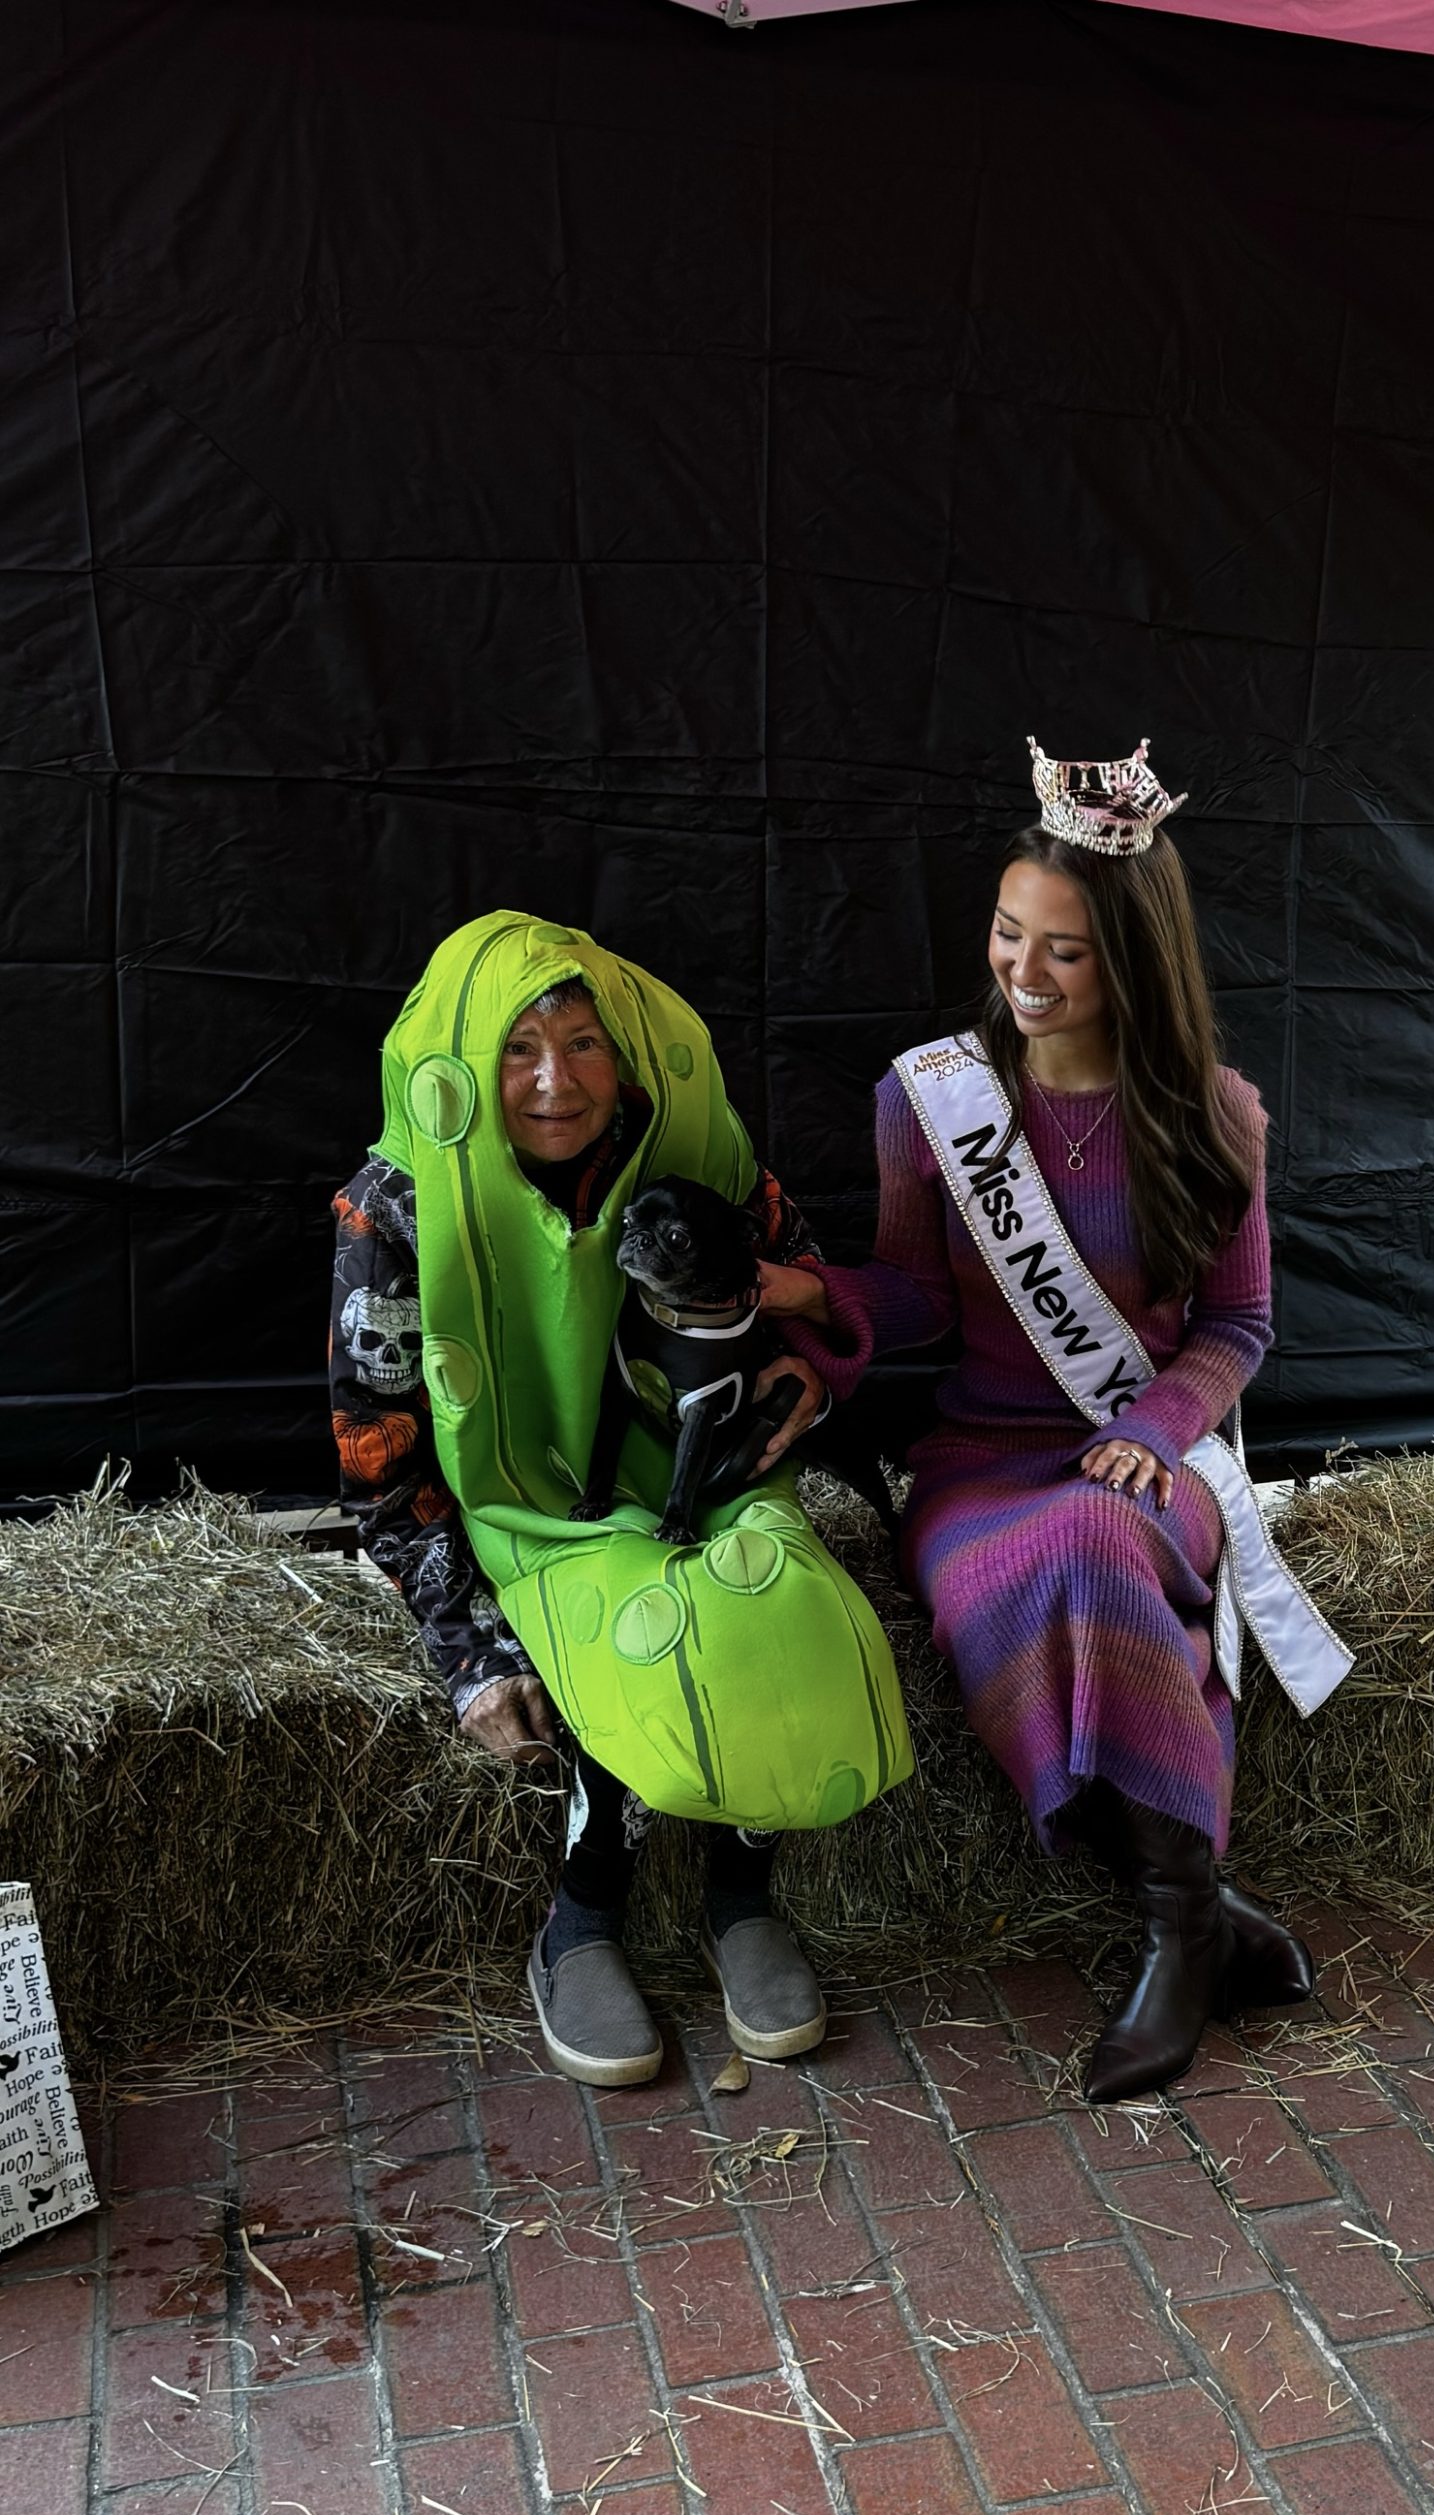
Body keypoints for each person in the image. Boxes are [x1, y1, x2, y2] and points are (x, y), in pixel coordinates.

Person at [762, 742, 1349, 2103]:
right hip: (979, 1459)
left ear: (1133, 960)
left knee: (1093, 1534)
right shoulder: (933, 1103)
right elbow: (910, 1298)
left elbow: (1239, 1327)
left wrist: (1154, 1419)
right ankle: (1203, 1918)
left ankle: (1172, 1934)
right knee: (1029, 1556)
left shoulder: (1212, 1115)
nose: (1025, 972)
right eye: (1009, 934)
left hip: (1149, 1451)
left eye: (1067, 952)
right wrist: (810, 1290)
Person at [330, 912, 910, 2088]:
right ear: (459, 1063)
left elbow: (795, 1294)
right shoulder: (393, 1210)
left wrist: (815, 1375)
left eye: (585, 1040)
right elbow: (377, 1459)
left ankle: (741, 1894)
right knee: (632, 1635)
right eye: (519, 1045)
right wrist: (468, 1648)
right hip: (532, 1507)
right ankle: (581, 1917)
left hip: (705, 1476)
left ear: (627, 1051)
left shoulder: (687, 1146)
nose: (557, 1078)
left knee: (781, 1599)